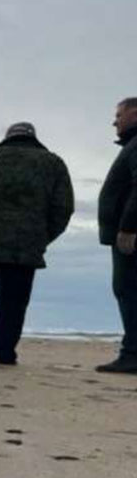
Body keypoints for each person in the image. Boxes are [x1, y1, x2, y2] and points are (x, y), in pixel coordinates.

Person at [0, 122, 74, 365]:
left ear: (7, 137)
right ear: (34, 138)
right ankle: (5, 351)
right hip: (25, 247)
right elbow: (63, 209)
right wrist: (41, 238)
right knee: (13, 302)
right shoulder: (54, 164)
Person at [97, 98, 137, 374]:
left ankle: (132, 354)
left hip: (131, 234)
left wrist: (128, 227)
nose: (115, 121)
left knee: (128, 290)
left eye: (118, 115)